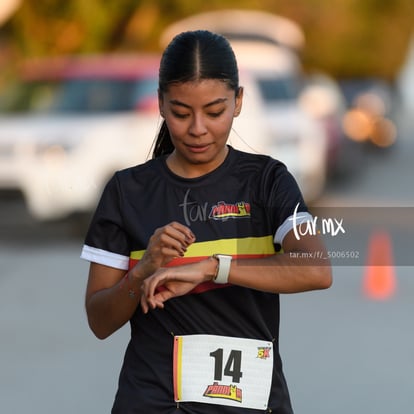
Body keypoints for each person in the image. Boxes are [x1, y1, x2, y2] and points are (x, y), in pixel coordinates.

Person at [81, 29, 332, 414]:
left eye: (215, 112)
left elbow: (316, 270)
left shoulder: (267, 181)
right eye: (181, 113)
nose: (198, 128)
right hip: (151, 402)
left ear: (239, 101)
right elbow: (99, 321)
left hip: (250, 404)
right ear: (161, 104)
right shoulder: (127, 191)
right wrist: (144, 269)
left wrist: (214, 268)